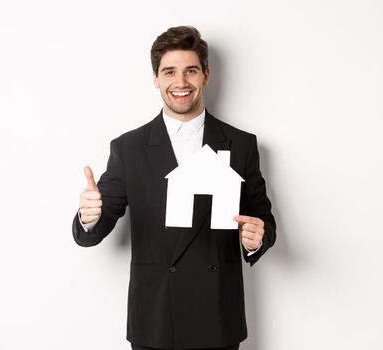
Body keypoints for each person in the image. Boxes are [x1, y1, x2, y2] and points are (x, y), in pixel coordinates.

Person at [72, 25, 276, 350]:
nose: (180, 83)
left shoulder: (241, 144)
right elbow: (93, 229)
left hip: (217, 318)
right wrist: (89, 216)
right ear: (156, 78)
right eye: (169, 72)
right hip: (155, 319)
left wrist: (256, 237)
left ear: (206, 75)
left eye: (190, 71)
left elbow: (263, 220)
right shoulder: (128, 148)